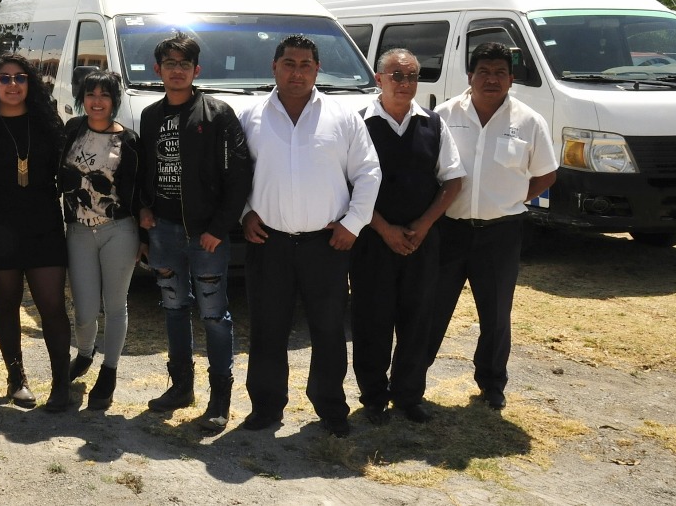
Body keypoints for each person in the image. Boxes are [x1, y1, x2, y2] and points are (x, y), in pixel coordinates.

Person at [239, 34, 381, 438]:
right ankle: (266, 406)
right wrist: (246, 213)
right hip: (269, 243)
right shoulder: (252, 116)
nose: (296, 71)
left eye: (305, 64)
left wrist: (353, 223)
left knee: (329, 328)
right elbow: (236, 176)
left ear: (317, 69)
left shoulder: (342, 117)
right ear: (274, 67)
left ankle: (331, 406)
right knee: (267, 328)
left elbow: (369, 172)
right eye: (289, 63)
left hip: (327, 244)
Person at [419, 42, 557, 411]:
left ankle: (492, 383)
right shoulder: (445, 115)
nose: (491, 79)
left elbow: (547, 173)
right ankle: (411, 380)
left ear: (511, 78)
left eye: (500, 72)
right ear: (470, 76)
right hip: (449, 231)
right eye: (484, 71)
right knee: (431, 308)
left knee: (496, 314)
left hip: (501, 232)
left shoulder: (528, 121)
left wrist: (510, 199)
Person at [137, 31, 251, 432]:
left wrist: (220, 228)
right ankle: (181, 387)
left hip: (206, 236)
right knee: (173, 307)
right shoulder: (150, 116)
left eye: (185, 64)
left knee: (214, 314)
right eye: (170, 63)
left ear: (196, 70)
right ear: (158, 69)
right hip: (164, 232)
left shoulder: (217, 113)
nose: (177, 71)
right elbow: (141, 171)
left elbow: (239, 175)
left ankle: (220, 399)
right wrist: (144, 210)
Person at [350, 49, 464, 425]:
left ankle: (409, 395)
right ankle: (374, 398)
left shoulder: (433, 124)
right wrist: (384, 229)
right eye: (397, 76)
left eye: (412, 76)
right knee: (372, 319)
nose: (405, 83)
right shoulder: (358, 124)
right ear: (379, 79)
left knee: (418, 320)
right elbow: (346, 185)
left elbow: (452, 179)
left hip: (421, 240)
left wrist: (426, 225)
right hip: (371, 239)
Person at [0, 54, 71, 411]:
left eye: (20, 78)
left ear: (31, 83)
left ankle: (62, 384)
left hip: (43, 224)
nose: (13, 85)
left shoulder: (47, 122)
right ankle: (17, 378)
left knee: (52, 305)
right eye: (4, 78)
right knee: (7, 304)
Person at [60, 70, 141, 411]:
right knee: (85, 308)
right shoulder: (73, 129)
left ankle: (109, 372)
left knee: (115, 304)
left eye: (104, 95)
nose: (97, 101)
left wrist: (145, 236)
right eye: (90, 94)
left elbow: (139, 190)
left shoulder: (129, 140)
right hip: (78, 230)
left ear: (114, 101)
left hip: (117, 230)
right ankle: (84, 353)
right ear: (82, 98)